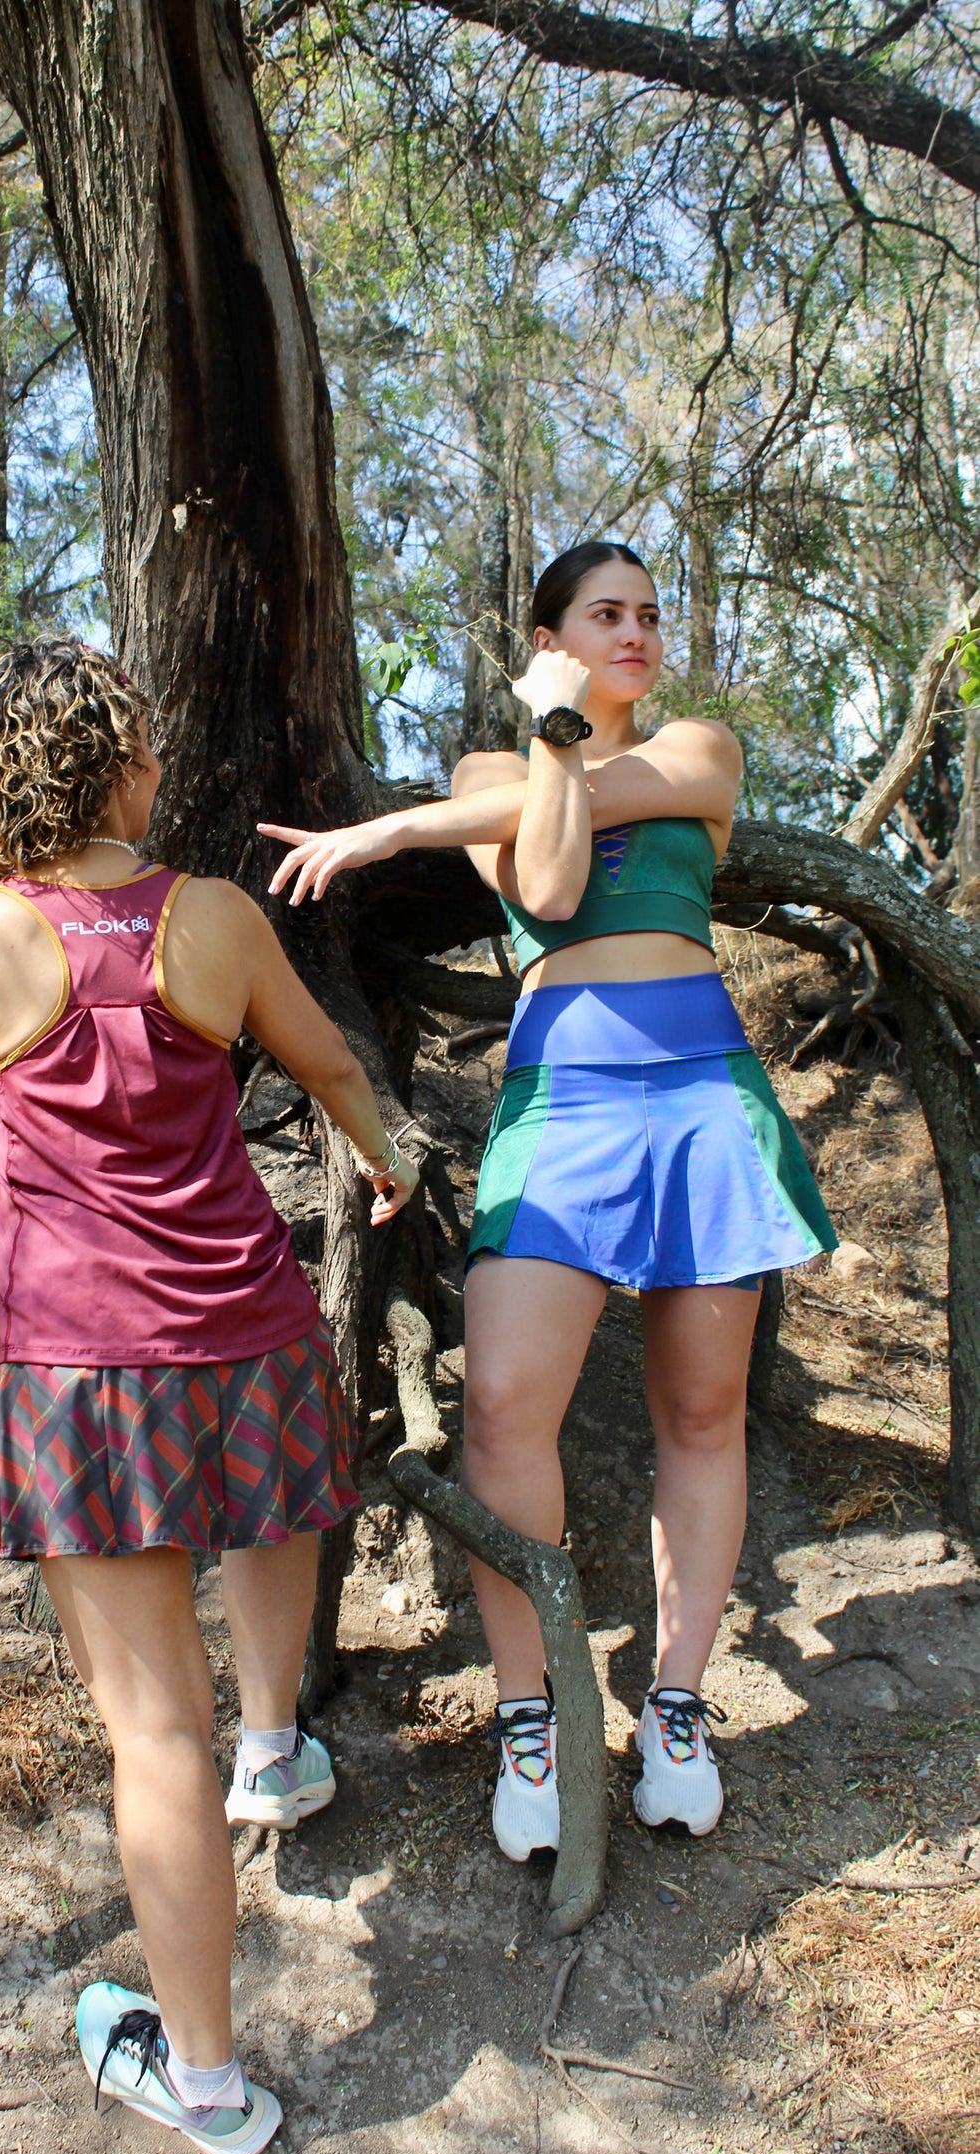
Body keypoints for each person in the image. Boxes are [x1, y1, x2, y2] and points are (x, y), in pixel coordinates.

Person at [0, 637, 418, 2154]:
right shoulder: (214, 918)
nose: (160, 766)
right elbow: (325, 1066)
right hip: (246, 1333)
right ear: (113, 763)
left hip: (80, 1373)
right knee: (268, 1516)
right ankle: (273, 1743)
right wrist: (381, 1166)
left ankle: (205, 2086)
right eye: (142, 743)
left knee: (145, 1741)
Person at [259, 541, 835, 1858]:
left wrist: (398, 827)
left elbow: (596, 801)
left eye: (646, 612)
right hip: (563, 1100)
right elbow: (557, 888)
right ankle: (533, 1711)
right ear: (546, 636)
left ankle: (677, 1705)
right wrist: (541, 747)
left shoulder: (700, 750)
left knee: (701, 1409)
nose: (634, 630)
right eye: (602, 613)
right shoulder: (492, 776)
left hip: (700, 1093)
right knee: (507, 1403)